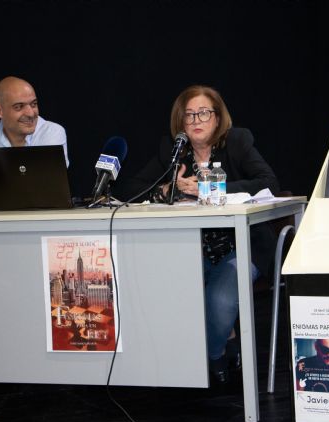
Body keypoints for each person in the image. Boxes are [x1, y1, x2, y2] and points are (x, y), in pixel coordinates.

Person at [117, 85, 280, 383]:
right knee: (165, 292)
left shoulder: (236, 142)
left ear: (217, 118)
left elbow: (268, 182)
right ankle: (223, 346)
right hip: (192, 249)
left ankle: (212, 356)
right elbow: (130, 189)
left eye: (203, 113)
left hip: (242, 246)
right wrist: (166, 189)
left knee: (220, 301)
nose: (196, 120)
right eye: (189, 115)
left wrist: (210, 187)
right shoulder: (173, 151)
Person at [0, 76, 70, 206]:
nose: (30, 113)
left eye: (33, 104)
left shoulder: (52, 132)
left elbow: (47, 191)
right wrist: (5, 200)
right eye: (19, 107)